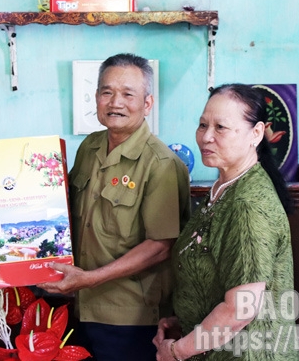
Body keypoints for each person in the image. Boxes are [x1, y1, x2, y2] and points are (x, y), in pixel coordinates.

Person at [38, 53, 191, 361]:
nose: (115, 102)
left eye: (127, 94)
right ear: (96, 99)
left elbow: (161, 246)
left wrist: (90, 279)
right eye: (107, 92)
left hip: (129, 317)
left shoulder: (161, 164)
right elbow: (61, 214)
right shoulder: (89, 148)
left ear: (147, 103)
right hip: (77, 307)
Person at [153, 83, 298, 360]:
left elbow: (240, 308)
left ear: (256, 133)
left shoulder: (247, 205)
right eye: (202, 125)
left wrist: (177, 351)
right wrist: (187, 318)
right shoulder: (226, 187)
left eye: (221, 128)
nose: (206, 137)